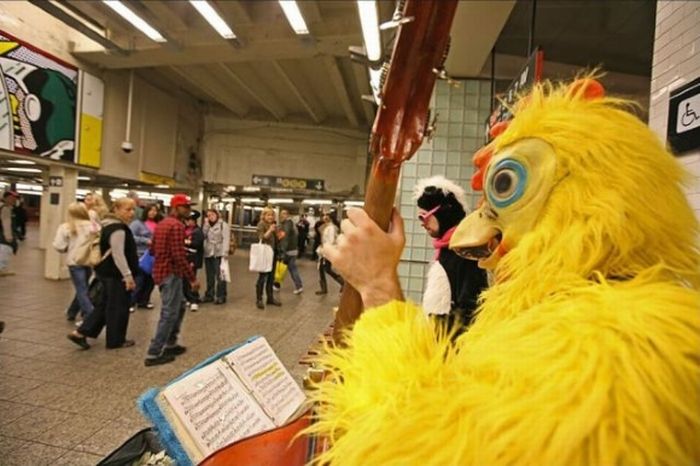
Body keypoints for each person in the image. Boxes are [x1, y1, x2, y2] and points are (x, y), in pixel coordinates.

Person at [414, 176, 489, 335]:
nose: (422, 223)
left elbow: (472, 309)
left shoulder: (465, 253)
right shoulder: (448, 251)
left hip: (454, 350)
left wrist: (435, 326)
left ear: (444, 213)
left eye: (424, 216)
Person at [67, 198, 138, 350]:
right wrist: (127, 276)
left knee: (104, 305)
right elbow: (118, 254)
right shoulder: (118, 228)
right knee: (118, 307)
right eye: (127, 209)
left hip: (105, 272)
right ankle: (115, 341)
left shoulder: (106, 224)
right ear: (117, 209)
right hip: (115, 274)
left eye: (133, 210)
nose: (131, 213)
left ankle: (80, 333)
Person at [145, 194, 199, 366]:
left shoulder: (162, 224)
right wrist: (192, 278)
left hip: (161, 271)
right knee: (169, 313)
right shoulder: (176, 226)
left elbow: (152, 249)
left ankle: (171, 343)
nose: (189, 210)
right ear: (176, 208)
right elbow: (178, 255)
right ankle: (154, 352)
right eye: (186, 207)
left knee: (180, 305)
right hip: (171, 273)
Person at [52, 202, 99, 322]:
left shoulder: (66, 227)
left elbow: (59, 246)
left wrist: (69, 247)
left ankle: (90, 315)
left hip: (74, 262)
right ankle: (71, 312)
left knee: (81, 289)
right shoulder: (95, 226)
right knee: (83, 287)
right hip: (89, 261)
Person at [129, 203, 161, 311]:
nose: (153, 213)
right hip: (140, 255)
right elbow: (130, 236)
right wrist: (145, 240)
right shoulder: (137, 224)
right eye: (150, 210)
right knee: (139, 280)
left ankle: (144, 300)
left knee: (150, 281)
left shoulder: (158, 224)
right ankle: (131, 302)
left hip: (154, 256)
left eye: (155, 211)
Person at [202, 209, 230, 305]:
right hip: (209, 252)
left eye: (212, 214)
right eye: (208, 215)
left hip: (219, 253)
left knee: (221, 276)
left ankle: (221, 295)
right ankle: (209, 294)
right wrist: (206, 225)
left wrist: (225, 252)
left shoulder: (223, 225)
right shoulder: (207, 225)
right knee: (209, 276)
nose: (211, 217)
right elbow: (203, 236)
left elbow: (226, 239)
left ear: (217, 215)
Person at [255, 207, 281, 309]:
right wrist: (270, 230)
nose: (270, 217)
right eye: (268, 215)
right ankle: (259, 299)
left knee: (271, 277)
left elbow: (277, 239)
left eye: (272, 215)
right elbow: (262, 237)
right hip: (264, 253)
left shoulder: (273, 225)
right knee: (262, 277)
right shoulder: (261, 224)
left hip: (273, 253)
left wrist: (278, 233)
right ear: (264, 216)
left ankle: (270, 298)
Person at [316, 212, 344, 295]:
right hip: (324, 250)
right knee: (322, 269)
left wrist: (325, 248)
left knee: (327, 269)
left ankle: (343, 283)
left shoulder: (331, 228)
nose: (324, 218)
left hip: (328, 251)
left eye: (326, 216)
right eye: (324, 216)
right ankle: (324, 289)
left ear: (330, 218)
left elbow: (331, 241)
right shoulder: (327, 227)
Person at [278, 209, 304, 294]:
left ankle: (298, 286)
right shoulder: (291, 224)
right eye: (281, 214)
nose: (282, 215)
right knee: (287, 268)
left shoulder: (287, 224)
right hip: (293, 250)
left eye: (284, 214)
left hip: (288, 250)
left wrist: (283, 250)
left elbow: (285, 238)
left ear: (288, 215)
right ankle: (276, 285)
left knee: (287, 268)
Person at [184, 210, 204, 311]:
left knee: (192, 279)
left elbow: (196, 244)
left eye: (189, 220)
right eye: (186, 220)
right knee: (184, 280)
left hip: (193, 259)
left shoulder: (197, 231)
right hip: (185, 258)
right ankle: (188, 297)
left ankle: (194, 300)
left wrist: (186, 242)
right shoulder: (184, 229)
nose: (187, 222)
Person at [0, 191, 19, 276]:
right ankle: (1, 269)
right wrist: (8, 236)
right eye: (11, 198)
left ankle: (2, 268)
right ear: (5, 198)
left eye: (15, 198)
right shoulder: (5, 209)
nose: (14, 200)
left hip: (3, 235)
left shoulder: (9, 208)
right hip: (3, 236)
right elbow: (6, 223)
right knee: (5, 250)